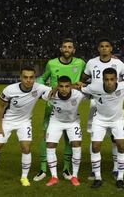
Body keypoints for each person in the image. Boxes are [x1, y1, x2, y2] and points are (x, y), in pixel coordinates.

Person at [0, 66, 51, 188]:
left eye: (31, 77)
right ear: (20, 78)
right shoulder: (9, 90)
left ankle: (24, 177)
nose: (28, 80)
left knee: (26, 148)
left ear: (35, 78)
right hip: (7, 121)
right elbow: (0, 107)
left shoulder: (39, 88)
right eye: (25, 77)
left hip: (24, 122)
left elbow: (55, 90)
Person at [34, 38, 86, 182]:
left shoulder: (80, 63)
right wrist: (48, 89)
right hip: (53, 106)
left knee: (70, 139)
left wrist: (83, 83)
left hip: (70, 107)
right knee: (47, 137)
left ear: (73, 50)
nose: (67, 49)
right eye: (65, 47)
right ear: (61, 49)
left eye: (70, 47)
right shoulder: (52, 63)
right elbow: (42, 79)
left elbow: (89, 76)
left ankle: (66, 168)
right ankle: (43, 169)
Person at [81, 38, 124, 180]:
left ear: (111, 48)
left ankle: (115, 168)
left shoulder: (118, 63)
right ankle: (95, 171)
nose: (104, 49)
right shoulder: (91, 63)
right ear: (98, 48)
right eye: (102, 46)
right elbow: (83, 78)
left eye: (107, 46)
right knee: (94, 138)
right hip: (96, 103)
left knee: (116, 139)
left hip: (113, 104)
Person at [80, 68, 124, 189]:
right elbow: (80, 87)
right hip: (100, 120)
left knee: (122, 146)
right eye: (106, 79)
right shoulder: (94, 87)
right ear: (103, 79)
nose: (109, 82)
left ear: (116, 79)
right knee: (95, 146)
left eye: (112, 79)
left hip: (117, 120)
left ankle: (120, 178)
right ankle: (98, 178)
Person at [42, 76, 87, 187]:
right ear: (58, 86)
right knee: (50, 145)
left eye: (67, 86)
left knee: (76, 145)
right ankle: (54, 177)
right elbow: (43, 96)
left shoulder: (78, 95)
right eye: (61, 86)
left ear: (71, 86)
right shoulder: (52, 94)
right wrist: (52, 90)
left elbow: (92, 93)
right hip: (56, 121)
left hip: (73, 122)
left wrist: (84, 86)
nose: (64, 89)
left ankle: (75, 176)